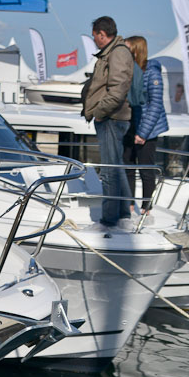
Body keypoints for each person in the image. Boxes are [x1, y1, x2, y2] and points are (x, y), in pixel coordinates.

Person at [81, 16, 135, 227]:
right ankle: (123, 213)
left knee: (110, 170)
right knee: (116, 166)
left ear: (102, 34)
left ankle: (110, 219)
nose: (94, 40)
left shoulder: (117, 53)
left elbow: (118, 89)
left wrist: (100, 112)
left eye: (95, 36)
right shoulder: (114, 51)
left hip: (111, 118)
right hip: (111, 117)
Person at [123, 36, 168, 215]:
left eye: (127, 49)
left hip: (148, 128)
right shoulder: (130, 70)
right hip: (131, 123)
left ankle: (146, 207)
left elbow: (155, 105)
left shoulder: (152, 73)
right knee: (127, 164)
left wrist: (143, 133)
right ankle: (128, 204)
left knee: (145, 168)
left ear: (137, 49)